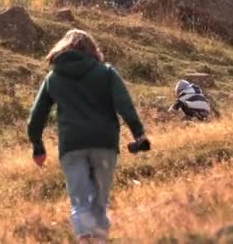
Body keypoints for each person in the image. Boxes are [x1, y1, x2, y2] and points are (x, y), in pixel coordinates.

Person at [27, 29, 149, 243]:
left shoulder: (53, 78)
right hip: (104, 144)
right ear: (92, 49)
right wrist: (138, 134)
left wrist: (38, 145)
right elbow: (125, 105)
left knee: (80, 201)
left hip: (72, 146)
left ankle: (84, 237)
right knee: (99, 203)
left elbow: (36, 117)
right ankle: (98, 240)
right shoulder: (106, 72)